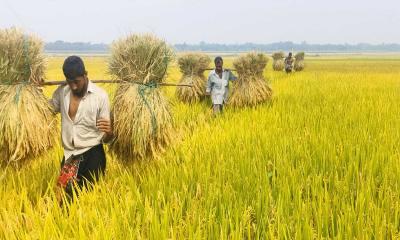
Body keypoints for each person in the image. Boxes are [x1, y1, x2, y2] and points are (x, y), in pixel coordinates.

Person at [49, 56, 113, 199]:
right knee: (64, 200)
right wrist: (35, 90)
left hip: (93, 156)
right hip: (69, 156)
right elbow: (46, 110)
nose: (73, 86)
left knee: (87, 200)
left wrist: (109, 132)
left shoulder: (100, 96)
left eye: (76, 81)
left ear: (85, 74)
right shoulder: (62, 92)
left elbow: (107, 139)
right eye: (69, 82)